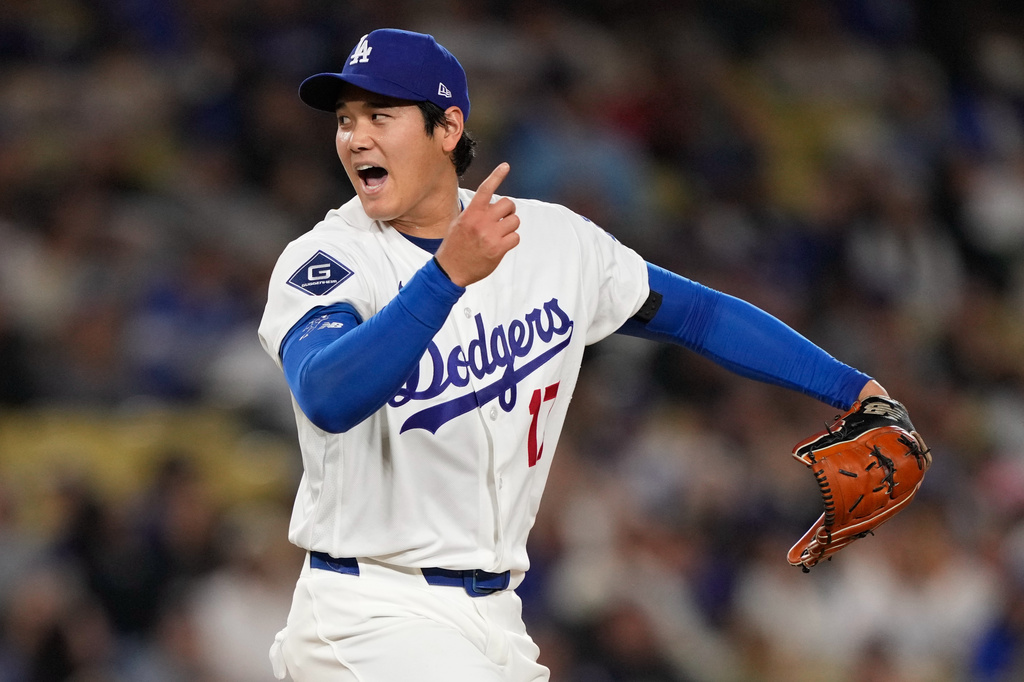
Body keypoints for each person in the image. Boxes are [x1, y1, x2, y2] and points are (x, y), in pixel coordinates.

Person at [258, 28, 890, 682]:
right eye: (345, 120)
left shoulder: (552, 242)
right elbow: (328, 396)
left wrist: (854, 389)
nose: (355, 137)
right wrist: (444, 279)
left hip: (493, 614)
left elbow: (699, 315)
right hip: (365, 612)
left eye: (380, 116)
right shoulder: (330, 258)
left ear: (447, 128)